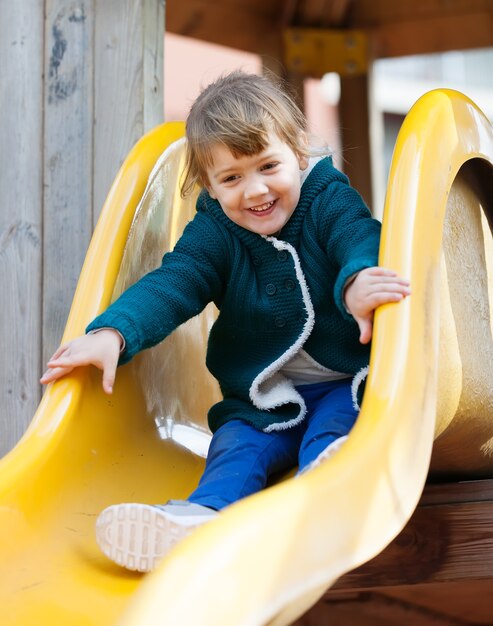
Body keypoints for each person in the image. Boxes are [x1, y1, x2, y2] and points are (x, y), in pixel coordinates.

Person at [41, 70, 411, 573]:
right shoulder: (215, 231)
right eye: (231, 178)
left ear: (299, 155)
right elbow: (176, 282)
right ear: (208, 186)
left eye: (268, 166)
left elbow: (357, 235)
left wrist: (356, 282)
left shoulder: (326, 198)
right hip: (259, 397)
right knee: (235, 448)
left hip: (346, 380)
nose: (254, 190)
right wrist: (114, 331)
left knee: (333, 435)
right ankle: (200, 519)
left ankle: (324, 495)